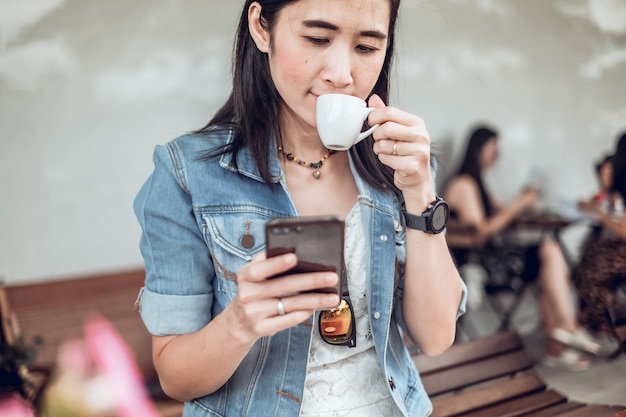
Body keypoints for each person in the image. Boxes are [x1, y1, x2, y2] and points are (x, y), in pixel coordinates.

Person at [133, 1, 466, 416]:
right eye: (317, 38)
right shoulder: (189, 174)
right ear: (260, 27)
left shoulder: (398, 165)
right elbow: (175, 377)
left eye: (366, 48)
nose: (342, 74)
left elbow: (435, 337)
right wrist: (240, 322)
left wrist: (420, 193)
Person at [442, 124, 599, 371]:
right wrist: (518, 205)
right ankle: (567, 329)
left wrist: (521, 201)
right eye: (493, 149)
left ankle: (558, 345)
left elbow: (499, 213)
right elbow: (482, 232)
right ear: (479, 149)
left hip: (489, 258)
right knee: (548, 251)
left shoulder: (477, 182)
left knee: (547, 263)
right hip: (478, 264)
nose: (497, 155)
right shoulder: (464, 184)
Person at [574, 131, 626, 337]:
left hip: (621, 254)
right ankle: (608, 322)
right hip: (616, 253)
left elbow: (623, 231)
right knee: (584, 270)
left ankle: (616, 324)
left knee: (587, 275)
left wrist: (599, 214)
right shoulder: (614, 192)